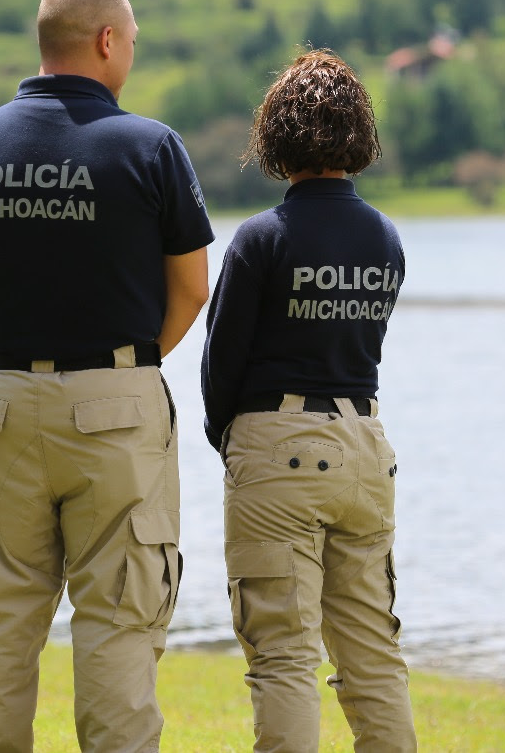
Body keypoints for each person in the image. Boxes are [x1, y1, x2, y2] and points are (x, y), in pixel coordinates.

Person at [0, 0, 213, 753]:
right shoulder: (152, 146)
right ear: (105, 40)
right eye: (132, 40)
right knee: (120, 621)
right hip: (117, 406)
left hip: (3, 404)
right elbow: (192, 288)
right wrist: (124, 368)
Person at [200, 50, 417, 753]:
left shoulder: (261, 239)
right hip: (365, 445)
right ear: (360, 137)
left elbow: (221, 364)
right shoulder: (385, 239)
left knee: (286, 654)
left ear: (276, 136)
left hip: (279, 445)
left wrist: (231, 442)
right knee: (371, 654)